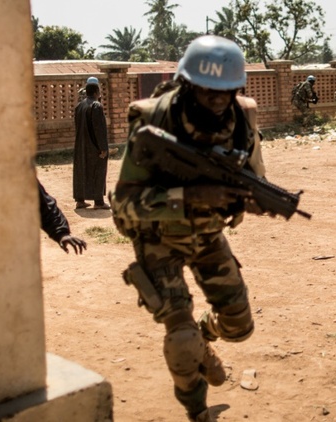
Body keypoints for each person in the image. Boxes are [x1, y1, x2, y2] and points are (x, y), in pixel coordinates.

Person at [110, 35, 266, 422]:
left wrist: (241, 200)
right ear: (188, 83)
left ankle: (205, 337)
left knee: (239, 327)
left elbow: (253, 179)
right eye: (208, 88)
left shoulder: (242, 119)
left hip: (208, 234)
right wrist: (187, 196)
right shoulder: (151, 119)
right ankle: (197, 411)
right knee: (180, 340)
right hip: (157, 238)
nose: (217, 98)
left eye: (227, 89)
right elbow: (122, 208)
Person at [73, 76, 110, 210]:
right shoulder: (96, 106)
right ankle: (99, 202)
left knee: (81, 172)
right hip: (94, 147)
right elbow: (98, 129)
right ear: (96, 92)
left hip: (81, 146)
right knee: (98, 172)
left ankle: (80, 200)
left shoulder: (79, 106)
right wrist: (103, 148)